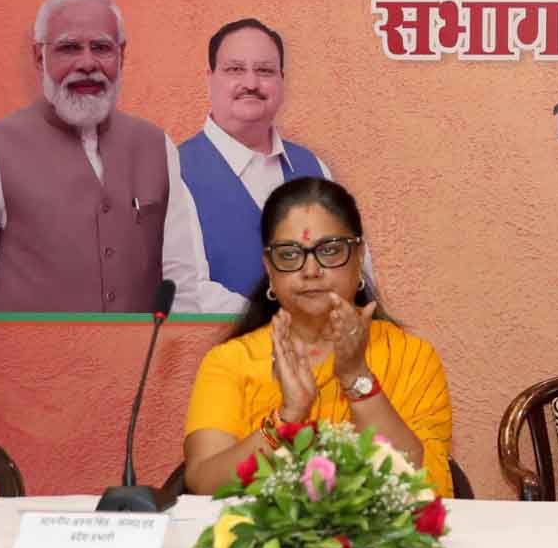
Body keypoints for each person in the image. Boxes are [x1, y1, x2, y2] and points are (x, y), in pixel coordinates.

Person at [0, 0, 244, 314]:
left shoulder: (157, 147)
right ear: (39, 57)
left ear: (122, 55)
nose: (87, 63)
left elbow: (182, 287)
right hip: (25, 365)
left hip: (140, 364)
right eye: (69, 48)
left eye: (101, 48)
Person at [182, 177, 453, 497]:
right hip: (262, 541)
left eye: (329, 250)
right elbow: (204, 483)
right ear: (269, 267)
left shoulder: (412, 357)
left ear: (359, 255)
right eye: (289, 254)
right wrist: (287, 418)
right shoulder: (230, 362)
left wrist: (356, 376)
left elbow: (414, 479)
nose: (310, 270)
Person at [179, 19, 335, 296]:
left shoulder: (313, 168)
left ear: (281, 81)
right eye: (235, 69)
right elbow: (188, 294)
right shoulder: (175, 172)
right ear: (209, 79)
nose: (251, 83)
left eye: (264, 71)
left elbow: (352, 271)